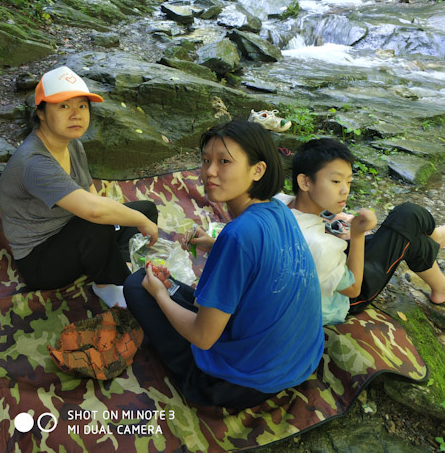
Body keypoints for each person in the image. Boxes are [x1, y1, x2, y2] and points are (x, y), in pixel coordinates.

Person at [124, 119, 324, 410]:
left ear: (258, 170)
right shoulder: (279, 210)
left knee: (137, 285)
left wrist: (160, 295)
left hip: (237, 385)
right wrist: (212, 245)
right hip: (300, 361)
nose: (209, 172)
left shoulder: (239, 235)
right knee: (181, 294)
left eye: (224, 161)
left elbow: (203, 338)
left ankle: (192, 378)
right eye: (206, 160)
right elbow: (262, 263)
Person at [0, 66, 158, 308]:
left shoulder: (72, 145)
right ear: (40, 113)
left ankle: (119, 264)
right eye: (64, 106)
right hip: (41, 261)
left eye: (82, 106)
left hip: (72, 230)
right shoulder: (34, 161)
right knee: (99, 221)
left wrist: (134, 217)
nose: (76, 114)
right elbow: (93, 210)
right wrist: (134, 221)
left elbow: (89, 194)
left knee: (145, 209)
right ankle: (107, 284)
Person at [276, 138, 445, 325]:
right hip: (342, 298)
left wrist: (327, 219)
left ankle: (439, 276)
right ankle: (434, 239)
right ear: (305, 182)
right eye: (335, 181)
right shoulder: (323, 246)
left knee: (408, 229)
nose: (344, 190)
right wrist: (356, 235)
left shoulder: (277, 202)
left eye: (348, 182)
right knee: (408, 215)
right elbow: (354, 289)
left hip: (322, 270)